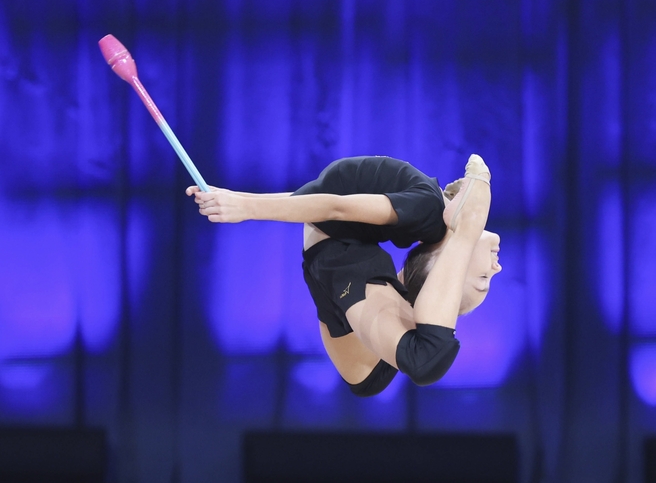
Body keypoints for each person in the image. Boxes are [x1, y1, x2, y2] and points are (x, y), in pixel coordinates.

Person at [186, 155, 501, 396]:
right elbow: (328, 205)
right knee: (426, 355)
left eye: (483, 280)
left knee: (426, 356)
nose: (496, 268)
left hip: (344, 270)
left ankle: (465, 230)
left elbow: (331, 208)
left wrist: (245, 205)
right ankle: (463, 232)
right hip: (361, 325)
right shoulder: (426, 211)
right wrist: (240, 201)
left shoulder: (424, 214)